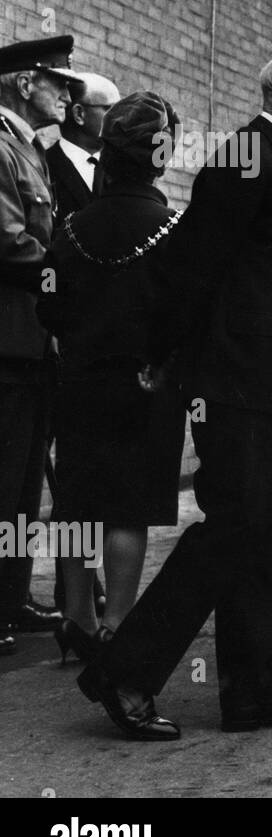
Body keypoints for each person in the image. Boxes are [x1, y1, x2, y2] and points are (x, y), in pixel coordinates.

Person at [78, 46, 272, 740]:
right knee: (229, 535)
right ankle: (125, 672)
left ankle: (253, 689)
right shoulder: (248, 157)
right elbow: (194, 265)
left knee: (260, 543)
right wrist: (163, 355)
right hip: (245, 389)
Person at [37, 92, 187, 665]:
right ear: (160, 155)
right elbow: (184, 309)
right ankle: (116, 624)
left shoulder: (72, 226)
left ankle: (77, 618)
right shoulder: (172, 227)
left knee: (78, 503)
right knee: (129, 506)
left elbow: (48, 304)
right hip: (147, 382)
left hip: (80, 380)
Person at [0, 36, 77, 651]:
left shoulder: (28, 148)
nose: (67, 95)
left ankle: (13, 598)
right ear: (25, 82)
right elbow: (10, 243)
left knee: (24, 484)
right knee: (4, 481)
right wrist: (74, 275)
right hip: (8, 342)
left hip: (31, 342)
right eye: (59, 83)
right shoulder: (2, 145)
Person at [46, 71, 118, 618]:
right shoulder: (47, 166)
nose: (113, 120)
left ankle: (84, 602)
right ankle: (71, 603)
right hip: (60, 339)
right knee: (68, 480)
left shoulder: (115, 175)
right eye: (106, 109)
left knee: (96, 481)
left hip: (105, 348)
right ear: (78, 113)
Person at [48, 73, 119, 221]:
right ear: (79, 114)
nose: (120, 119)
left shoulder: (121, 171)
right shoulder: (43, 166)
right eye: (111, 110)